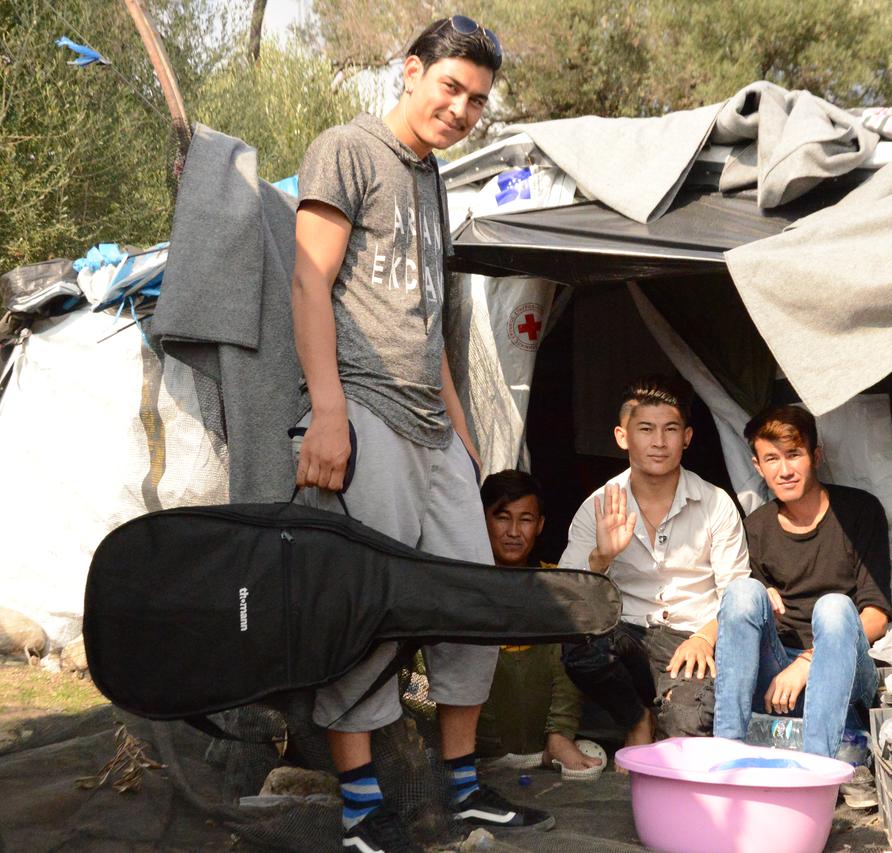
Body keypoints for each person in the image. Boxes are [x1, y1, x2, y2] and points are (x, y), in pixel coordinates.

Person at [291, 17, 551, 850]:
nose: (463, 109)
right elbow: (307, 278)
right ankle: (362, 806)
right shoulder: (347, 147)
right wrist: (328, 410)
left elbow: (431, 320)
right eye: (451, 88)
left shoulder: (434, 177)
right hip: (363, 407)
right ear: (411, 71)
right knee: (366, 605)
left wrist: (468, 439)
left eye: (478, 100)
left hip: (434, 425)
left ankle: (464, 784)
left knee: (474, 595)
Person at [559, 375, 749, 753]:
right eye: (645, 429)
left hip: (691, 639)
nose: (659, 442)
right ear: (622, 436)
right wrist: (601, 558)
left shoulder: (716, 503)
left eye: (670, 430)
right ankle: (636, 718)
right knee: (581, 645)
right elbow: (567, 597)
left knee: (687, 733)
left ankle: (668, 715)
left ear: (688, 437)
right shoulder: (599, 504)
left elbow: (737, 596)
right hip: (627, 635)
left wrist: (704, 637)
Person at [713, 404, 891, 762]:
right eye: (772, 459)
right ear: (757, 467)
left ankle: (817, 768)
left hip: (844, 669)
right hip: (779, 679)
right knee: (743, 592)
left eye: (793, 455)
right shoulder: (757, 527)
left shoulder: (860, 511)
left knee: (835, 606)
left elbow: (876, 615)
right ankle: (725, 754)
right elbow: (748, 619)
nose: (784, 470)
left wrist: (809, 662)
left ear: (816, 456)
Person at [475, 470, 604, 776]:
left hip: (543, 727)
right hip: (483, 737)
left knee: (572, 619)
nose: (513, 531)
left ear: (541, 525)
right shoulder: (468, 582)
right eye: (502, 517)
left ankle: (559, 741)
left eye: (526, 519)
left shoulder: (554, 578)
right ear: (482, 521)